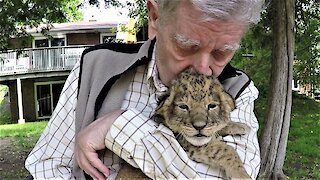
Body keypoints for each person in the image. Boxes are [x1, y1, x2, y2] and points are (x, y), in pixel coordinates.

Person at [25, 0, 265, 179]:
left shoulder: (238, 90)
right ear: (154, 17)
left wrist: (118, 127)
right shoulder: (95, 67)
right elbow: (46, 167)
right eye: (186, 46)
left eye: (222, 52)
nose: (203, 69)